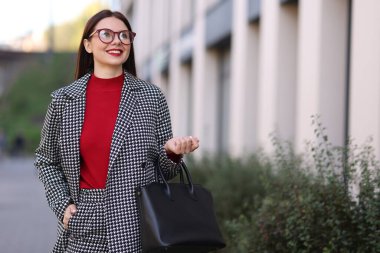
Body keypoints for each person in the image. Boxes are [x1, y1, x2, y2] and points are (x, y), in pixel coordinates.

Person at [35, 9, 199, 253]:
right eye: (106, 34)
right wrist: (63, 205)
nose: (117, 41)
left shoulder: (151, 97)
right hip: (84, 221)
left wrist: (172, 153)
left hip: (138, 220)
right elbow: (46, 160)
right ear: (88, 44)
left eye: (124, 36)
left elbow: (165, 171)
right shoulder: (64, 100)